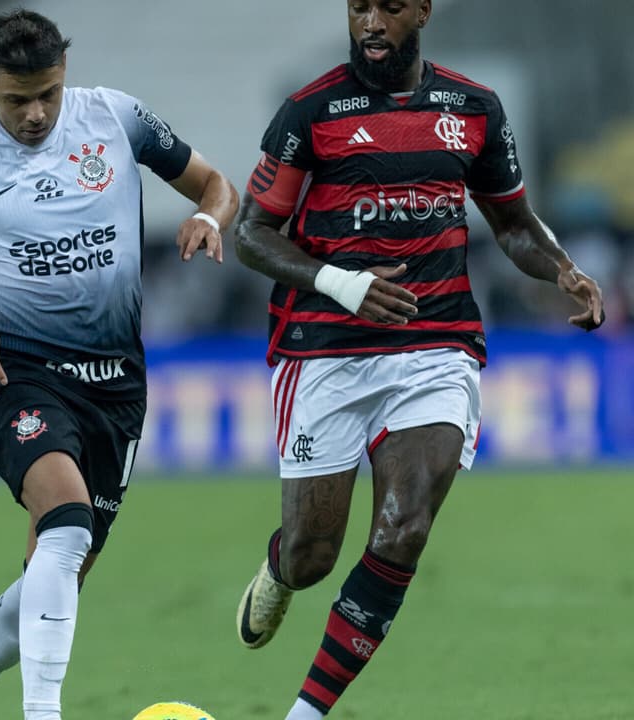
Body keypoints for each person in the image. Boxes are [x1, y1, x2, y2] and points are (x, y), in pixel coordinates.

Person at [231, 2, 605, 718]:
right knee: (313, 556)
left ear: (424, 10)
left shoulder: (473, 108)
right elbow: (252, 233)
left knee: (405, 527)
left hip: (435, 342)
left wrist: (562, 268)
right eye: (359, 7)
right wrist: (342, 283)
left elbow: (512, 222)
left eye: (390, 6)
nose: (372, 21)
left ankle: (305, 714)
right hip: (325, 348)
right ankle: (280, 568)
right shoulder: (310, 111)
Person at [0, 10, 238, 720]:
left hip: (118, 385)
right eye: (17, 99)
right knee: (66, 523)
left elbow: (218, 184)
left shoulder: (117, 118)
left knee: (56, 570)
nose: (35, 114)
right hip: (20, 374)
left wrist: (208, 218)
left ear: (66, 75)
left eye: (48, 94)